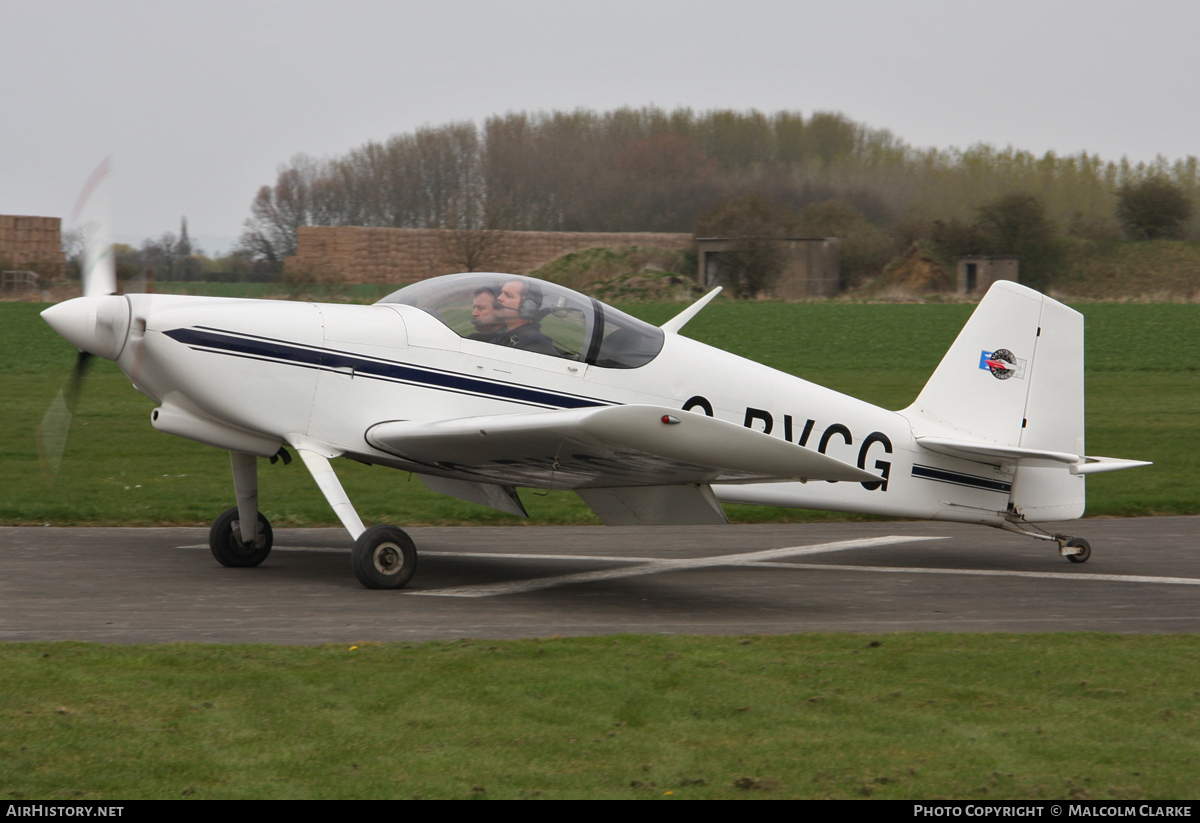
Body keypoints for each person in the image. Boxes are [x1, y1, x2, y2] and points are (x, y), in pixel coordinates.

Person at [490, 278, 557, 355]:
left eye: (508, 295)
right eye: (501, 293)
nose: (499, 298)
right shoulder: (503, 337)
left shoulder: (536, 347)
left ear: (527, 306)